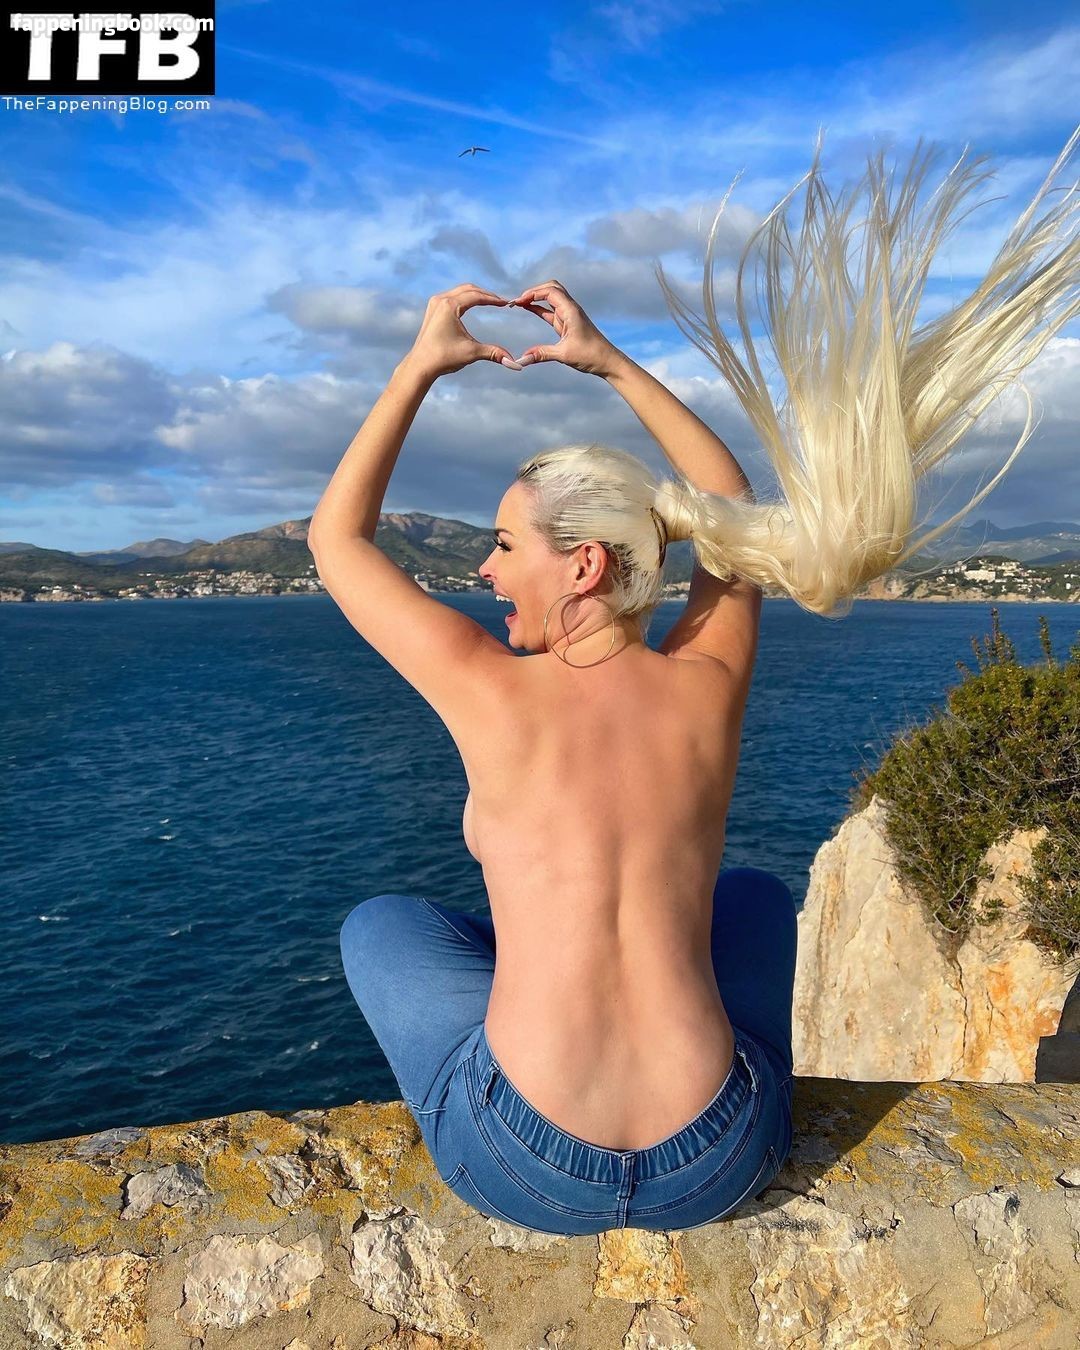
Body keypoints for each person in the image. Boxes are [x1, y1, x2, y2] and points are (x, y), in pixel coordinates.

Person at [317, 128, 1080, 1234]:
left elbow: (337, 541)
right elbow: (728, 500)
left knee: (383, 924)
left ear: (584, 566)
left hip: (529, 1162)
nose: (484, 569)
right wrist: (608, 361)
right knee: (756, 897)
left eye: (503, 545)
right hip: (720, 1153)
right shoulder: (705, 682)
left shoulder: (486, 689)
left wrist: (420, 364)